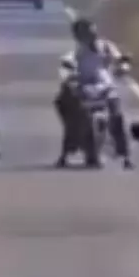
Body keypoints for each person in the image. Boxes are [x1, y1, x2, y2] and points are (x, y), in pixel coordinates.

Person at [54, 17, 132, 169]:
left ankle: (125, 155)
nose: (90, 35)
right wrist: (68, 76)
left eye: (91, 31)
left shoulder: (106, 47)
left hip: (105, 88)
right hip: (84, 88)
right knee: (65, 108)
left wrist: (123, 65)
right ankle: (66, 152)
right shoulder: (77, 52)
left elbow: (119, 60)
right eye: (84, 33)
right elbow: (67, 66)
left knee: (117, 117)